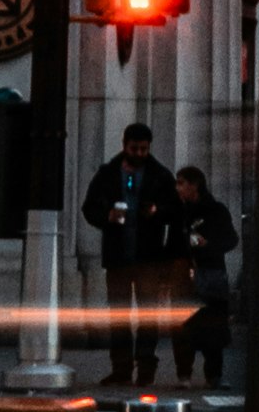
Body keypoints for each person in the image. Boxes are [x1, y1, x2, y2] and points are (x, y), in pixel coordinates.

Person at [85, 117, 174, 388]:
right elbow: (89, 207)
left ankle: (145, 369)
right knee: (119, 316)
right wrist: (107, 216)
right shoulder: (108, 173)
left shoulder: (160, 175)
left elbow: (174, 209)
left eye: (143, 149)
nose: (139, 154)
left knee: (147, 316)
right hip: (118, 256)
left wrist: (157, 212)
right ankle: (122, 369)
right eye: (135, 149)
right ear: (125, 145)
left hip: (148, 257)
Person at [171, 163, 237, 393]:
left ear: (194, 185)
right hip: (183, 272)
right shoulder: (178, 211)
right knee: (183, 325)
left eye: (181, 183)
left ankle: (214, 375)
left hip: (210, 272)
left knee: (213, 326)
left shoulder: (215, 210)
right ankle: (184, 374)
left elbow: (231, 239)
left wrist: (209, 245)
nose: (178, 188)